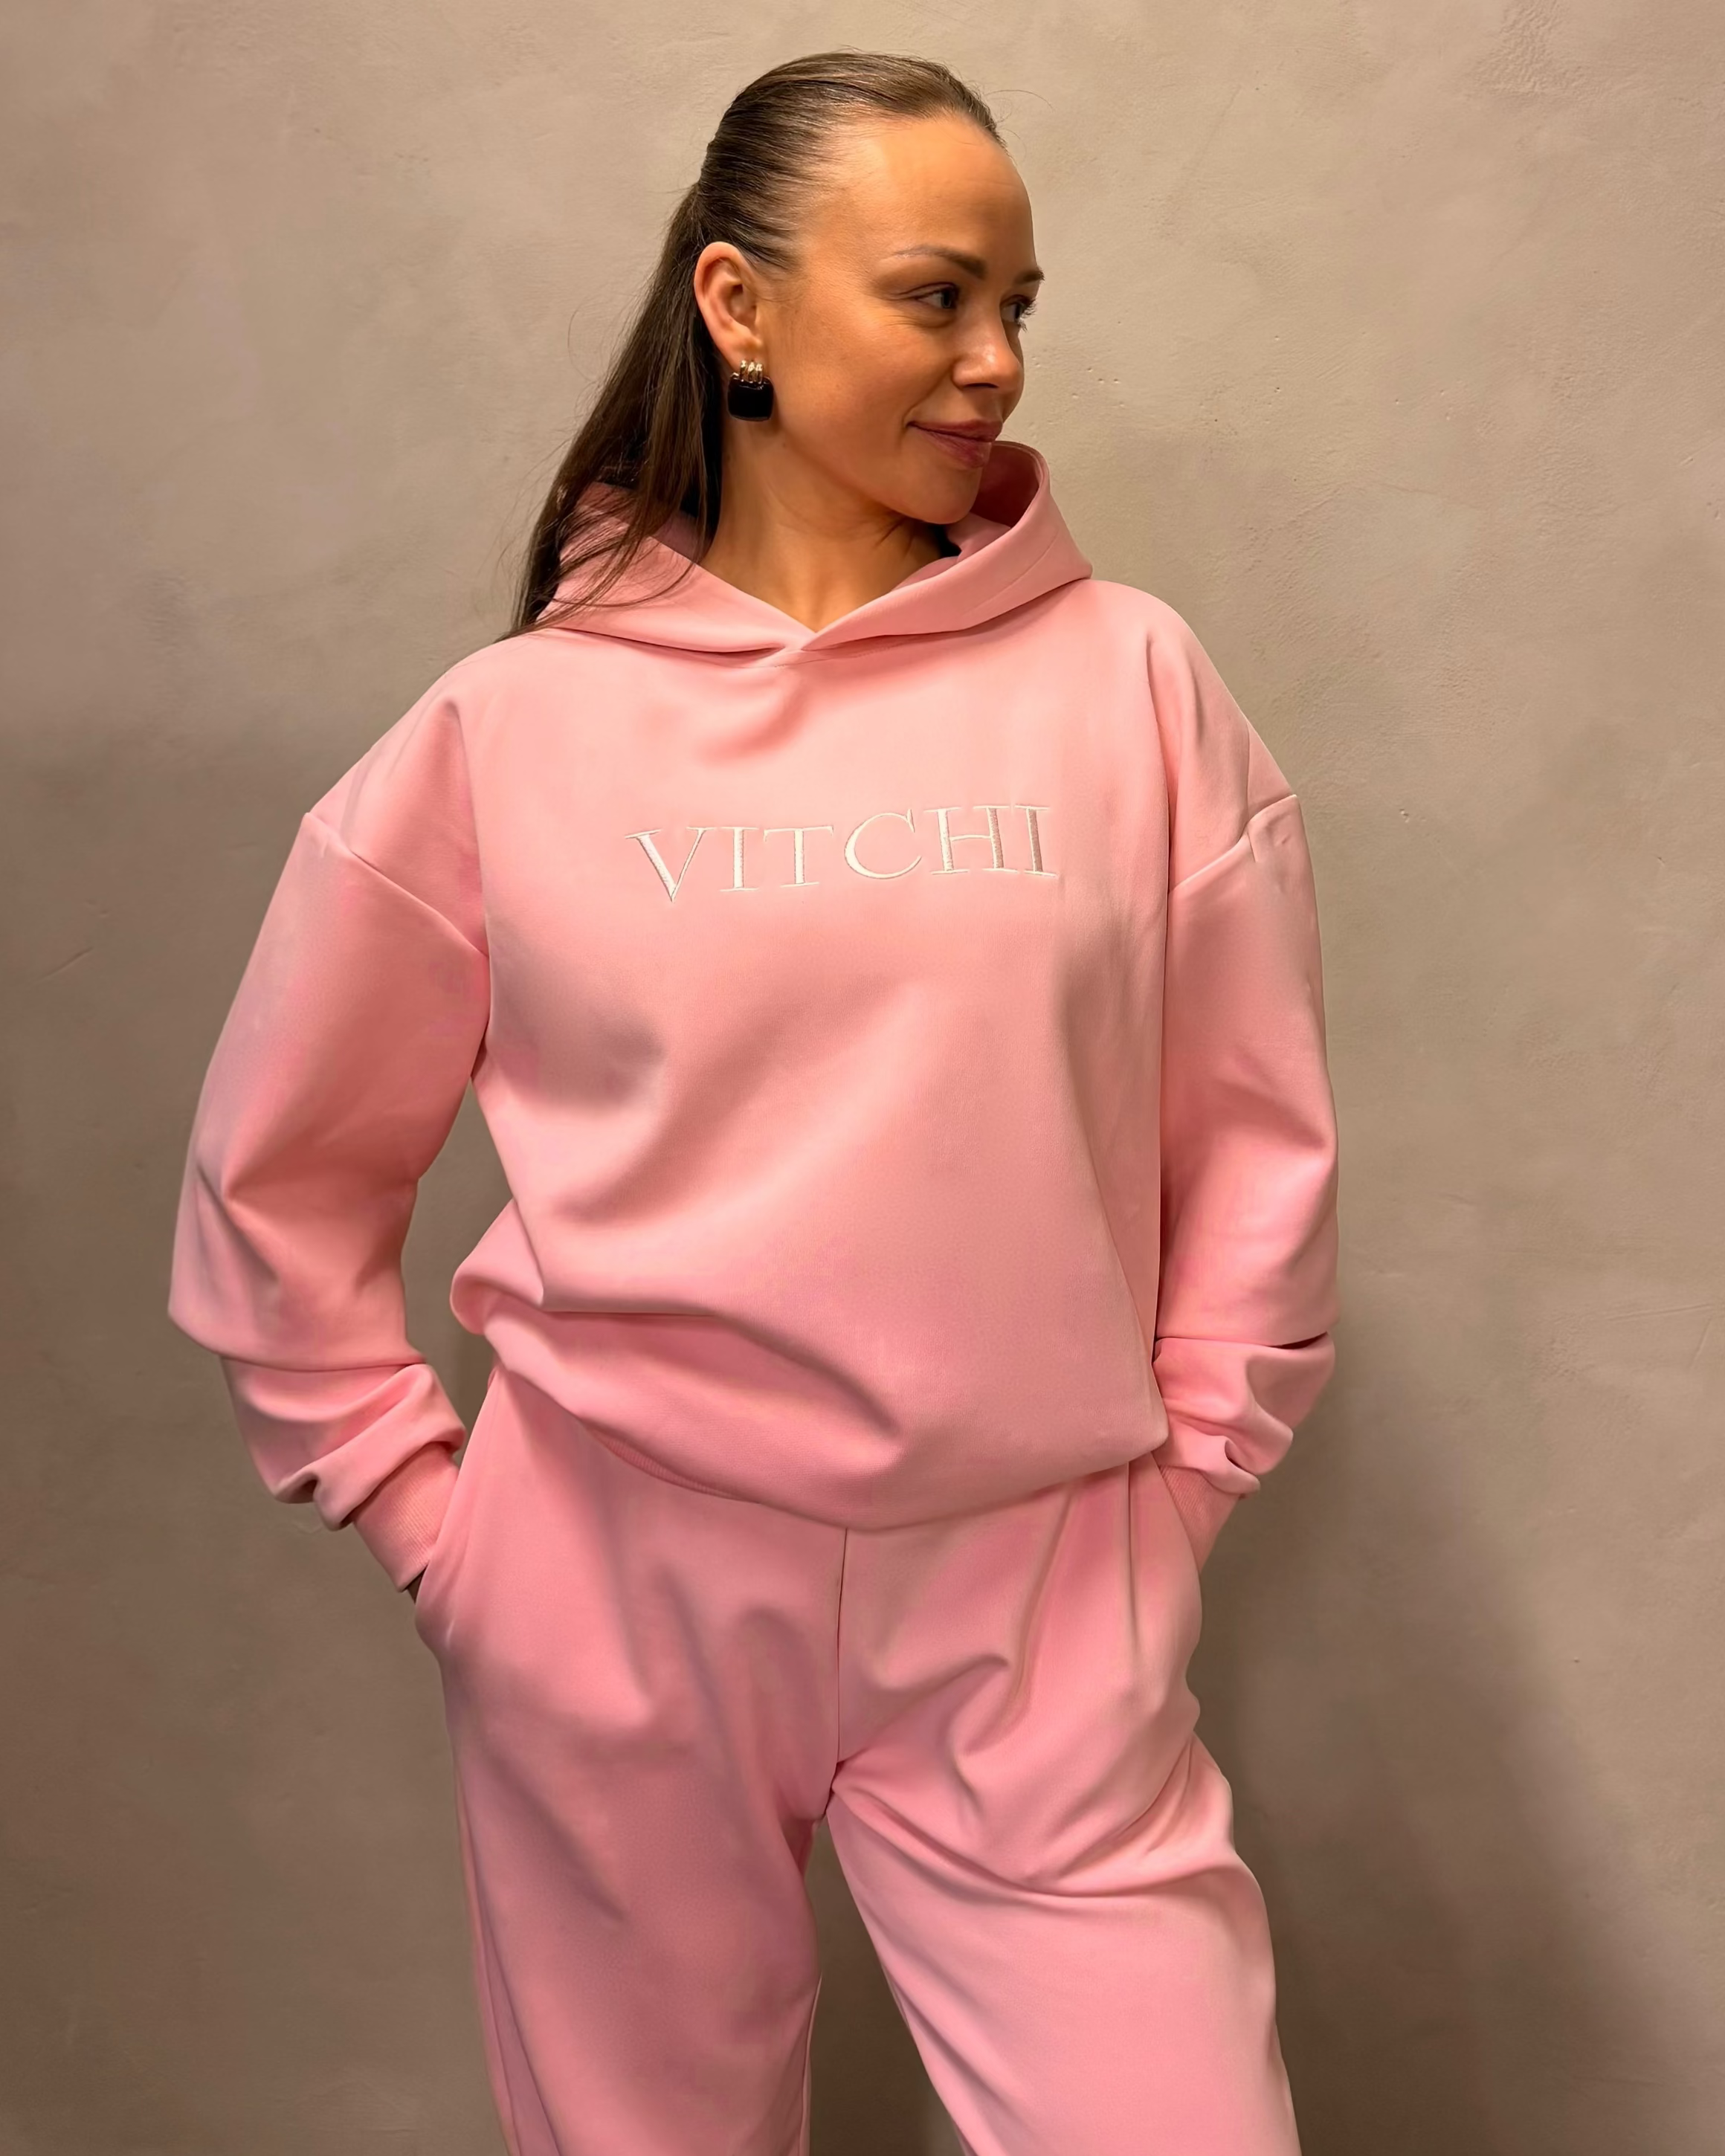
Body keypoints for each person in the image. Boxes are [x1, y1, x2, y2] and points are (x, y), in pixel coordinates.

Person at [167, 48, 1339, 2156]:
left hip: (1037, 1598)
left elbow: (1252, 1134)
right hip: (611, 1585)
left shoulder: (1133, 684)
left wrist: (1183, 1486)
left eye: (1017, 305)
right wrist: (433, 1522)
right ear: (738, 307)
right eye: (935, 296)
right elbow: (282, 1169)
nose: (996, 362)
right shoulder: (511, 730)